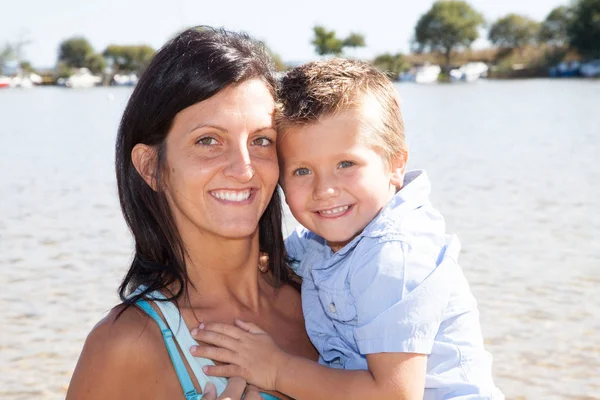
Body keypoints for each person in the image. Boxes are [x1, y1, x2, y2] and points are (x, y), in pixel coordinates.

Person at [190, 59, 504, 399]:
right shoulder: (322, 243)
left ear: (396, 164)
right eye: (302, 171)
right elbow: (262, 260)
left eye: (346, 164)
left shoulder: (393, 255)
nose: (324, 189)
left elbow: (394, 394)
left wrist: (276, 369)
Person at [66, 27, 317, 400]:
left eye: (260, 140)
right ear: (150, 166)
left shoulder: (326, 291)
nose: (243, 168)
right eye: (208, 141)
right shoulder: (126, 346)